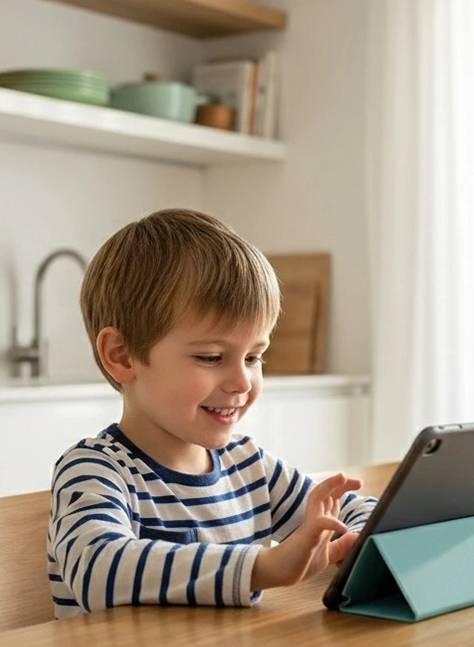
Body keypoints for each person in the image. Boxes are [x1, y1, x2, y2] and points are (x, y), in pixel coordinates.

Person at [48, 209, 375, 617]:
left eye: (255, 357)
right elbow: (100, 571)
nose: (242, 382)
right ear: (122, 356)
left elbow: (348, 512)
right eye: (211, 356)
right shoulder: (94, 471)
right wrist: (263, 567)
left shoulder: (250, 466)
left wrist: (361, 538)